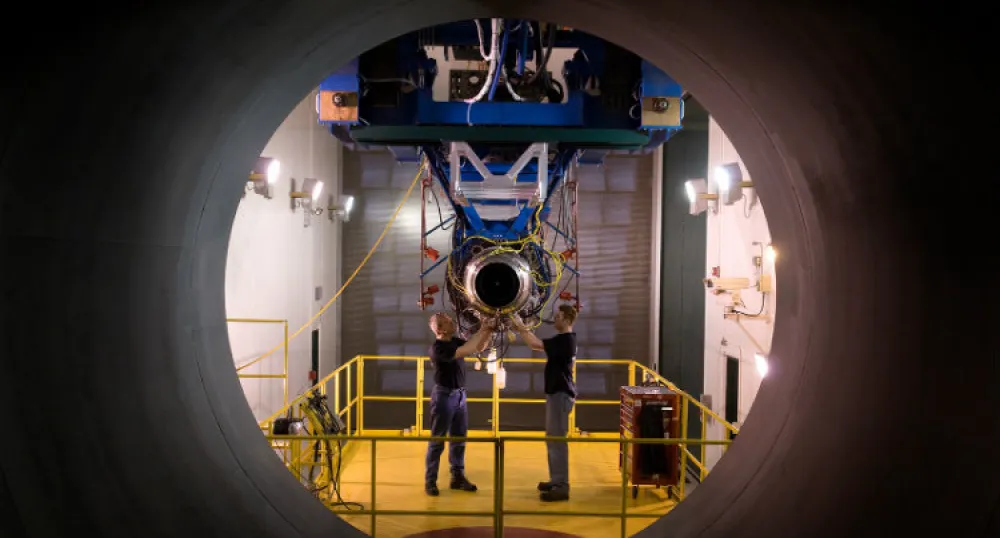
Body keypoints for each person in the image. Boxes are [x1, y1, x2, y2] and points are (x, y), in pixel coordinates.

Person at [512, 304, 578, 502]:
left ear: (566, 319)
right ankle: (556, 479)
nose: (554, 320)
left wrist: (520, 324)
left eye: (558, 316)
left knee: (557, 440)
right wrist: (521, 327)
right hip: (556, 394)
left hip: (560, 394)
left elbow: (535, 344)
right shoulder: (564, 340)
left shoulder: (566, 341)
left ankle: (562, 485)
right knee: (552, 439)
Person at [424, 312, 494, 496]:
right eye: (447, 320)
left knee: (459, 438)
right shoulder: (438, 348)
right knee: (437, 440)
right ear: (440, 329)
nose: (452, 321)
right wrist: (485, 326)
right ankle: (430, 481)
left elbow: (478, 346)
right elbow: (467, 350)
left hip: (460, 395)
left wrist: (488, 331)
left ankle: (457, 477)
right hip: (444, 396)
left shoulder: (455, 341)